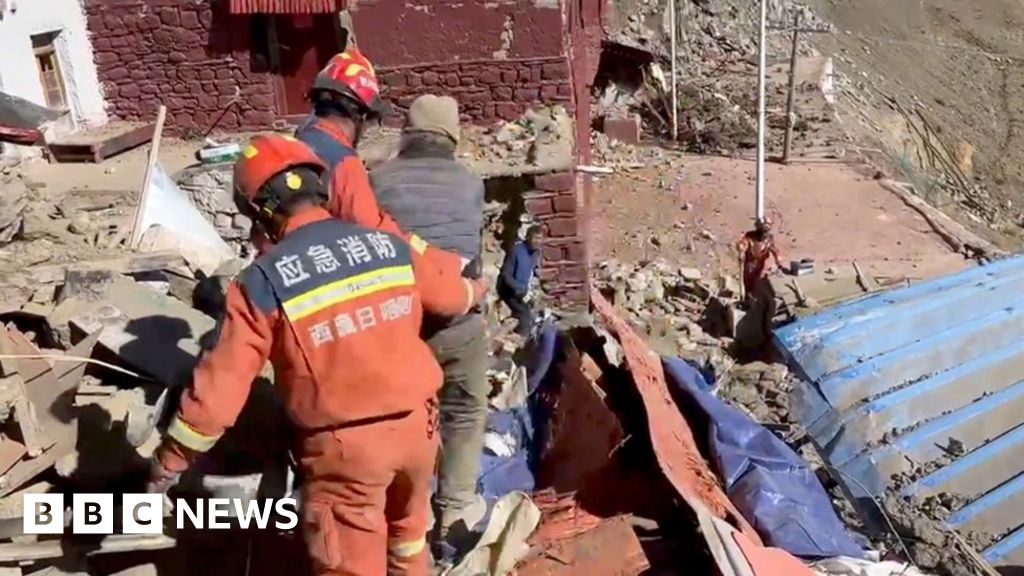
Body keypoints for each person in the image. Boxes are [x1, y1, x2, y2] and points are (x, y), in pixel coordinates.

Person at [148, 134, 486, 576]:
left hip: (347, 453)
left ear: (259, 212)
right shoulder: (388, 244)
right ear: (318, 188)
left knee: (348, 566)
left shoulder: (262, 282)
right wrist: (477, 288)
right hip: (419, 432)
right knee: (407, 544)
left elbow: (219, 394)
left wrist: (168, 462)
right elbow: (450, 295)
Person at [369, 95, 487, 556]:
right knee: (463, 410)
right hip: (456, 317)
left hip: (395, 323)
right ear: (452, 139)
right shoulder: (470, 184)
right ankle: (454, 512)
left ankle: (396, 517)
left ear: (406, 135)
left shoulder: (377, 181)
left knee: (397, 418)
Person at [498, 225, 543, 337]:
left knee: (537, 313)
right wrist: (519, 289)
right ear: (527, 238)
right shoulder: (516, 251)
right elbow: (506, 275)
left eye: (540, 239)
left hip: (524, 291)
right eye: (535, 238)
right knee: (524, 316)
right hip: (510, 291)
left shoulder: (536, 253)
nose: (538, 242)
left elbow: (534, 271)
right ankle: (517, 343)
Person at [736, 216, 783, 302]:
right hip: (750, 265)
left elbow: (775, 251)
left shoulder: (769, 239)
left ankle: (761, 302)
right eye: (762, 230)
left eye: (766, 231)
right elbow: (743, 244)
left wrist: (779, 262)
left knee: (761, 284)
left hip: (762, 265)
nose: (763, 233)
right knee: (749, 286)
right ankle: (748, 302)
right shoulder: (750, 236)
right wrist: (741, 249)